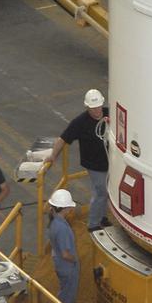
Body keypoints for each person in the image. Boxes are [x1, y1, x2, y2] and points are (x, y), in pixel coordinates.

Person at [45, 89, 110, 231]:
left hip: (110, 162)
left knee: (105, 192)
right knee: (101, 193)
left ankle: (103, 217)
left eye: (99, 106)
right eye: (93, 108)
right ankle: (93, 224)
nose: (97, 110)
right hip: (95, 165)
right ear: (87, 107)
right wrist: (53, 156)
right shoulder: (80, 122)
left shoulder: (108, 114)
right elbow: (63, 139)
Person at [48, 188, 79, 303]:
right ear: (65, 208)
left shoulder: (55, 223)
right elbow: (66, 254)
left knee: (65, 292)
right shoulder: (62, 228)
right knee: (67, 294)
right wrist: (75, 260)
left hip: (60, 263)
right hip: (67, 266)